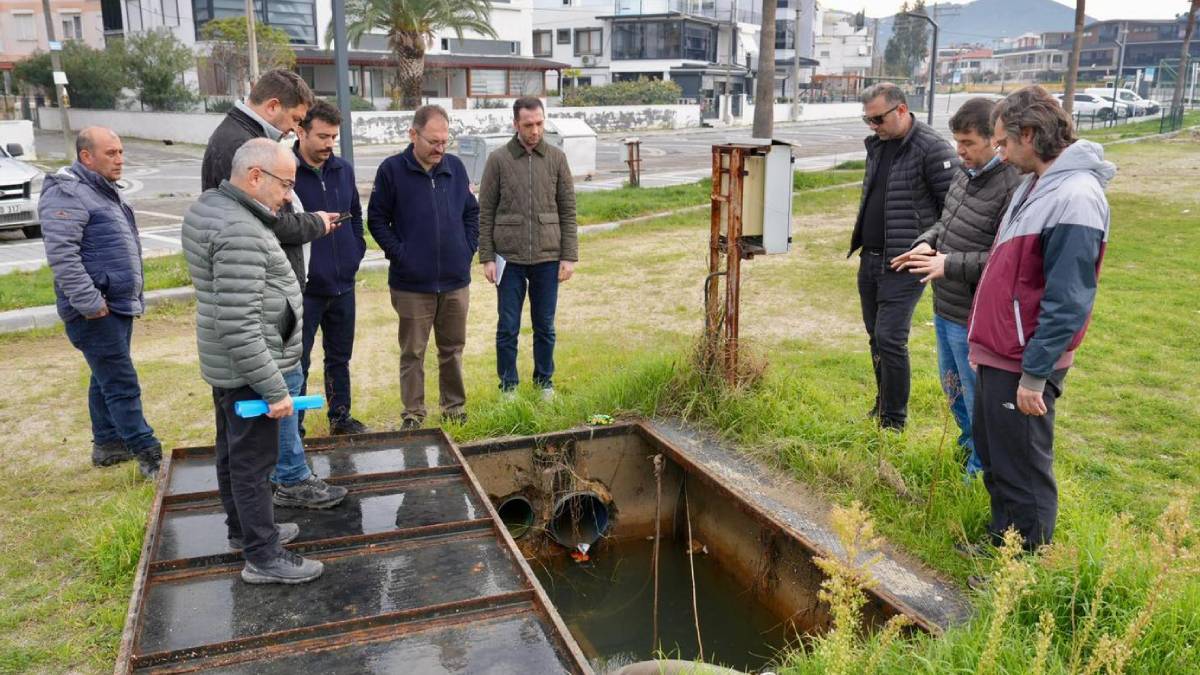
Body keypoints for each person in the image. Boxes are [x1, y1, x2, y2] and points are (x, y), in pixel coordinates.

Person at [968, 86, 1114, 551]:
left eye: (1003, 143)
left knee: (1023, 468)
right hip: (1003, 351)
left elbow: (1068, 299)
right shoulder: (1036, 184)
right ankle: (1002, 543)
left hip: (1025, 359)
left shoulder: (1076, 196)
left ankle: (1026, 564)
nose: (1000, 154)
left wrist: (1035, 375)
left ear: (1029, 134)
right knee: (996, 455)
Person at [182, 138, 325, 584]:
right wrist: (275, 389)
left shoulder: (212, 205)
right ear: (255, 176)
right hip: (249, 369)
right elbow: (240, 325)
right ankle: (263, 555)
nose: (288, 197)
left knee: (232, 452)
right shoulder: (241, 231)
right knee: (253, 463)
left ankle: (243, 530)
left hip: (228, 364)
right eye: (286, 185)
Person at [202, 69, 345, 509]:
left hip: (268, 288)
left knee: (281, 383)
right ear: (273, 107)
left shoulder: (238, 137)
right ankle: (289, 478)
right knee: (280, 382)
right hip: (264, 295)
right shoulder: (239, 146)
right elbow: (269, 220)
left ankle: (278, 477)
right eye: (295, 120)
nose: (295, 130)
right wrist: (312, 223)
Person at [891, 98, 1021, 477]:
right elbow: (946, 223)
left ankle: (980, 474)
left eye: (967, 143)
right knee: (955, 393)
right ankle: (967, 451)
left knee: (978, 399)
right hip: (945, 306)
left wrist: (947, 264)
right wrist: (927, 242)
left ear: (994, 140)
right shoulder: (965, 174)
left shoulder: (1012, 186)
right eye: (956, 141)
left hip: (975, 316)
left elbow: (1005, 260)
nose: (959, 151)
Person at [39, 127, 162, 479]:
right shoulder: (66, 193)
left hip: (115, 304)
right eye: (111, 153)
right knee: (121, 381)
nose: (120, 159)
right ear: (86, 156)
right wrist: (90, 303)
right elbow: (63, 257)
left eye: (121, 152)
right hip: (94, 310)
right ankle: (147, 452)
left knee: (104, 375)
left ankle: (108, 445)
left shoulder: (101, 190)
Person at [849, 83, 957, 431]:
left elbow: (953, 210)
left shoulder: (932, 148)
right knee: (876, 336)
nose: (873, 126)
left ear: (901, 109)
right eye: (867, 120)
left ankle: (894, 421)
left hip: (905, 261)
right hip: (871, 258)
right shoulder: (878, 145)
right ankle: (883, 406)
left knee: (890, 338)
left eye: (878, 119)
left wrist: (926, 245)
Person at [368, 105, 478, 429]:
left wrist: (467, 249)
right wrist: (401, 254)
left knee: (452, 349)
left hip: (455, 281)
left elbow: (472, 213)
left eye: (445, 141)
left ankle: (454, 409)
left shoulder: (455, 168)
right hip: (411, 284)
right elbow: (376, 220)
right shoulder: (391, 170)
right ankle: (413, 414)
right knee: (413, 352)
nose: (440, 149)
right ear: (413, 134)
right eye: (433, 141)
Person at [478, 97, 578, 401]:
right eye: (528, 125)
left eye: (539, 123)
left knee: (545, 325)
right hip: (508, 257)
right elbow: (485, 211)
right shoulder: (498, 159)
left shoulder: (557, 158)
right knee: (508, 326)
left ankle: (544, 383)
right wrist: (487, 257)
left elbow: (568, 209)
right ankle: (508, 387)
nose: (535, 131)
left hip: (548, 256)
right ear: (515, 124)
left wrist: (569, 255)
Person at [293, 100, 369, 436]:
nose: (329, 144)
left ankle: (341, 418)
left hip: (343, 283)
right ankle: (294, 427)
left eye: (333, 137)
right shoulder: (287, 172)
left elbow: (355, 213)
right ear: (301, 132)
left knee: (339, 357)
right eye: (322, 136)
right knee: (298, 361)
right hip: (305, 290)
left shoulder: (343, 170)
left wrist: (355, 251)